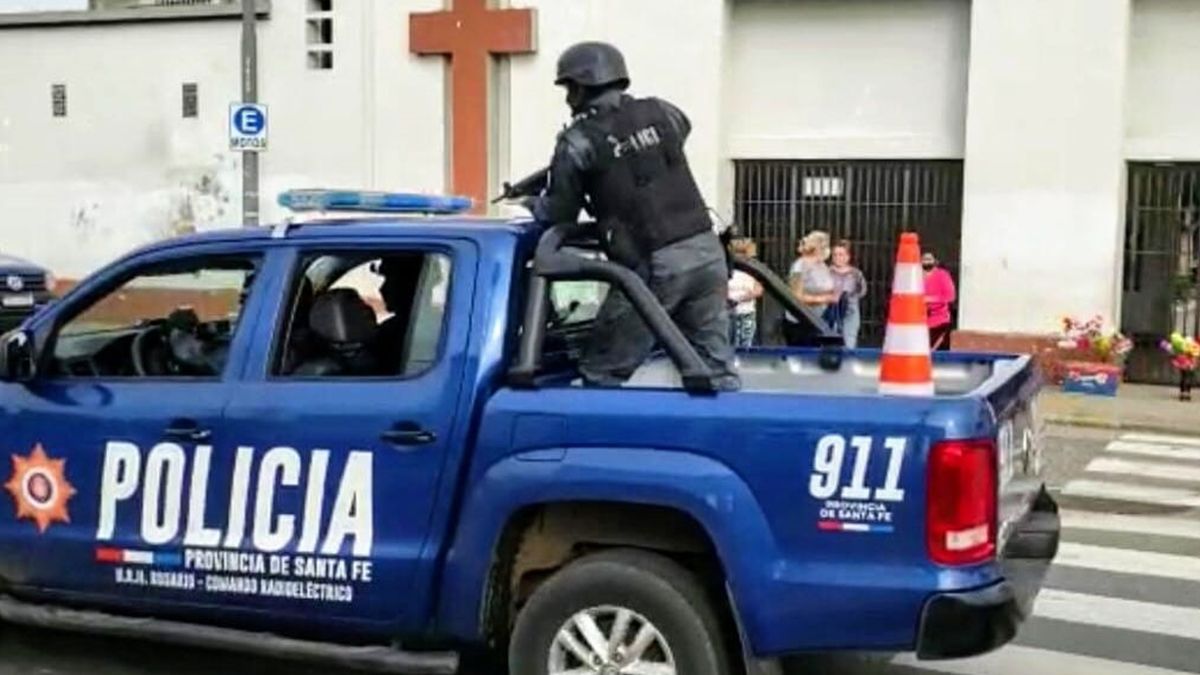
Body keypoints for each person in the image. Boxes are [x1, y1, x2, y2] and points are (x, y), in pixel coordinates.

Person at [526, 41, 739, 390]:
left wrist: (532, 203)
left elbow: (557, 214)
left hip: (657, 265)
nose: (568, 98)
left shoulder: (578, 141)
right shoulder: (662, 111)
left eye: (569, 88)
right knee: (714, 370)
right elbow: (664, 146)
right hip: (707, 252)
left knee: (602, 371)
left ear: (581, 86)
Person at [782, 230, 837, 346]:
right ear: (817, 248)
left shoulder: (822, 265)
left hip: (817, 320)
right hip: (800, 323)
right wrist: (823, 299)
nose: (828, 249)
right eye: (825, 246)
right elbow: (795, 297)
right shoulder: (800, 267)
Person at [830, 240, 867, 349]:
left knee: (849, 343)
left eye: (841, 255)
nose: (838, 258)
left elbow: (862, 290)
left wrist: (849, 297)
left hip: (850, 310)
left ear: (848, 257)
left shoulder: (856, 274)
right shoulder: (826, 272)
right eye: (835, 255)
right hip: (832, 310)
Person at [726, 238, 763, 348]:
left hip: (746, 313)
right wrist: (745, 296)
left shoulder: (753, 269)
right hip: (732, 313)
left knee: (745, 345)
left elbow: (758, 290)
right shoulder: (729, 269)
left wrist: (738, 297)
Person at [923, 251, 957, 351]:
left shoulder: (942, 275)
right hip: (920, 322)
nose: (927, 262)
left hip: (940, 322)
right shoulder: (915, 276)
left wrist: (930, 299)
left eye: (929, 259)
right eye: (924, 259)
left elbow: (951, 296)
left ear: (934, 261)